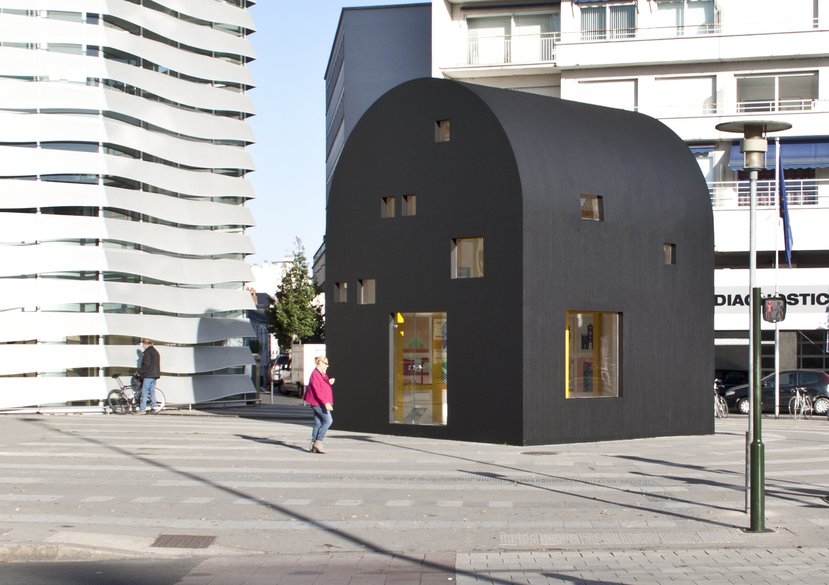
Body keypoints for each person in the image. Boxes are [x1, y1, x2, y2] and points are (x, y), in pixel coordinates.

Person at [304, 355, 335, 453]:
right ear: (320, 362)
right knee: (328, 421)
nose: (328, 365)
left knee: (317, 423)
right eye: (326, 363)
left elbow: (322, 386)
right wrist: (325, 403)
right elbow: (318, 391)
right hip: (318, 403)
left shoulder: (321, 373)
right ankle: (319, 442)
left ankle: (313, 445)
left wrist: (329, 382)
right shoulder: (315, 374)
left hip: (318, 402)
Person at [137, 338, 161, 414]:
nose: (143, 346)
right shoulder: (155, 351)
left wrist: (139, 372)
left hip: (149, 375)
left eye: (143, 344)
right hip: (155, 375)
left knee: (144, 391)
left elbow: (146, 364)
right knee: (152, 391)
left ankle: (142, 409)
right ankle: (154, 406)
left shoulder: (147, 352)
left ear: (145, 344)